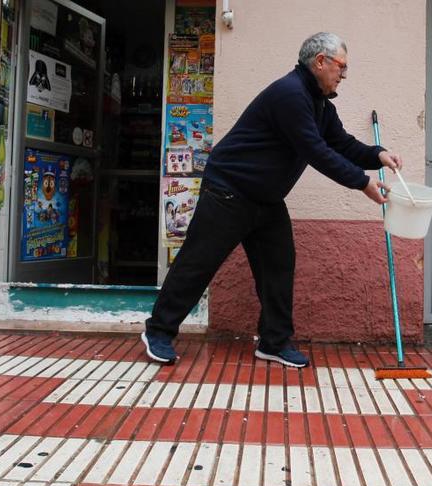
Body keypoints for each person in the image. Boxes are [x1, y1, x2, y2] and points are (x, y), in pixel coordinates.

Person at [141, 32, 402, 368]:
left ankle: (274, 342)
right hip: (229, 190)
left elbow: (342, 144)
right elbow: (316, 151)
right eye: (341, 67)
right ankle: (159, 331)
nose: (343, 75)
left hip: (266, 199)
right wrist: (363, 183)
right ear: (320, 61)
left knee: (278, 269)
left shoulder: (320, 105)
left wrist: (378, 155)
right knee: (198, 263)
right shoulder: (290, 94)